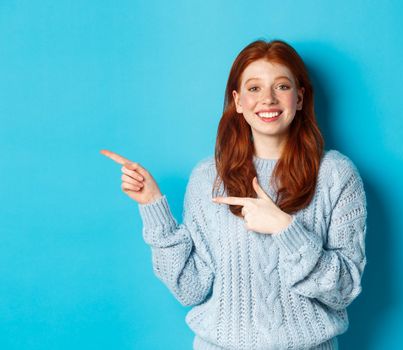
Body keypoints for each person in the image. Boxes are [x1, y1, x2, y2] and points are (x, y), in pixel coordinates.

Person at [101, 39, 367, 350]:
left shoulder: (336, 175)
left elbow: (344, 290)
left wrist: (285, 228)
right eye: (254, 88)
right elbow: (190, 289)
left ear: (299, 97)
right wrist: (152, 207)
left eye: (281, 86)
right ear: (238, 101)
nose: (267, 99)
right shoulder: (207, 178)